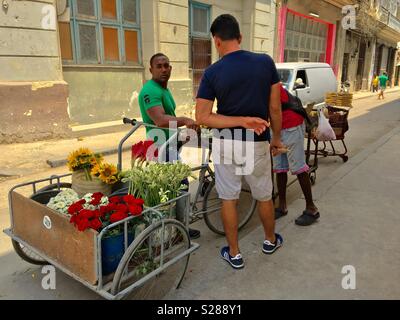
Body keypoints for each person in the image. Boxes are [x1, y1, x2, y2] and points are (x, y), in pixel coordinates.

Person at [195, 14, 285, 270]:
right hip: (257, 141)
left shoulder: (212, 72)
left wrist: (237, 120)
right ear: (240, 37)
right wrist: (276, 138)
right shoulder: (265, 62)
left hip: (226, 143)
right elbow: (275, 108)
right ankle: (270, 241)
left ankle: (234, 253)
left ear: (217, 41)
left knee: (228, 198)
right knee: (264, 195)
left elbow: (202, 117)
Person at [138, 53, 201, 240]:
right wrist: (184, 120)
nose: (164, 69)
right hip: (160, 148)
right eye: (159, 66)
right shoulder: (150, 90)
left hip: (169, 145)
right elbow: (159, 120)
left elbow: (168, 116)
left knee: (174, 188)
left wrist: (182, 136)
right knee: (176, 188)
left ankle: (177, 228)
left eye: (167, 65)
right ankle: (178, 230)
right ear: (151, 69)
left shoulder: (164, 89)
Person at [273, 83, 320, 226]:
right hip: (277, 126)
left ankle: (311, 208)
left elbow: (273, 109)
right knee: (280, 168)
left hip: (291, 125)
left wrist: (274, 137)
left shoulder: (265, 82)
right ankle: (282, 206)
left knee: (298, 167)